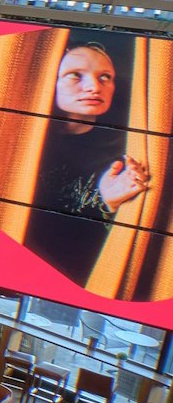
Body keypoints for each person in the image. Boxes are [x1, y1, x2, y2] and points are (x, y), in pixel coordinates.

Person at [23, 41, 153, 286]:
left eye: (105, 77)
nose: (94, 87)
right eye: (75, 75)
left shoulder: (131, 146)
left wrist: (108, 200)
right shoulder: (23, 138)